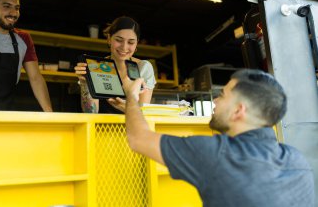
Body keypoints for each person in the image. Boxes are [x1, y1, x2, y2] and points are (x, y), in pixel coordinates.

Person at [123, 69, 314, 207]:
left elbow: (138, 138)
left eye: (221, 95)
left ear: (239, 110)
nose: (215, 101)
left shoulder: (216, 153)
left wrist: (131, 97)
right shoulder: (297, 159)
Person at [74, 16, 156, 113]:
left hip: (131, 127)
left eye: (131, 42)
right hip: (100, 126)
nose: (124, 47)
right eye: (119, 40)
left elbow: (143, 115)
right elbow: (91, 112)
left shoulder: (143, 68)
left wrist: (123, 107)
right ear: (109, 39)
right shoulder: (96, 67)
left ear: (136, 44)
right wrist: (85, 83)